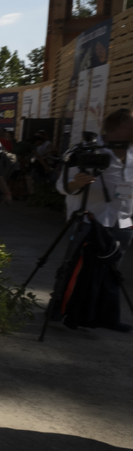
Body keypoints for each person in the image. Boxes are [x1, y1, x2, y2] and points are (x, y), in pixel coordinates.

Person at [57, 108, 133, 332]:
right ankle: (60, 310)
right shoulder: (86, 150)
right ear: (120, 126)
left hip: (123, 221)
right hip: (89, 220)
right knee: (74, 270)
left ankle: (105, 317)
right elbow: (62, 185)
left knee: (111, 273)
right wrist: (77, 184)